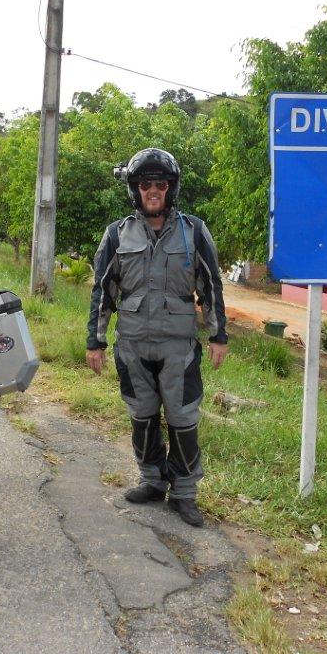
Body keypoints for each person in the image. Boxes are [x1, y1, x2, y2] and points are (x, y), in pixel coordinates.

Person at [86, 148, 228, 527]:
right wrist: (95, 342)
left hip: (177, 347)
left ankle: (184, 492)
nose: (153, 190)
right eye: (145, 184)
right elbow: (102, 290)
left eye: (160, 184)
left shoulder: (194, 231)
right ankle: (151, 480)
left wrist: (219, 335)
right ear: (136, 189)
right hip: (131, 344)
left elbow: (211, 285)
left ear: (171, 189)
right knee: (142, 415)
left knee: (183, 418)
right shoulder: (117, 234)